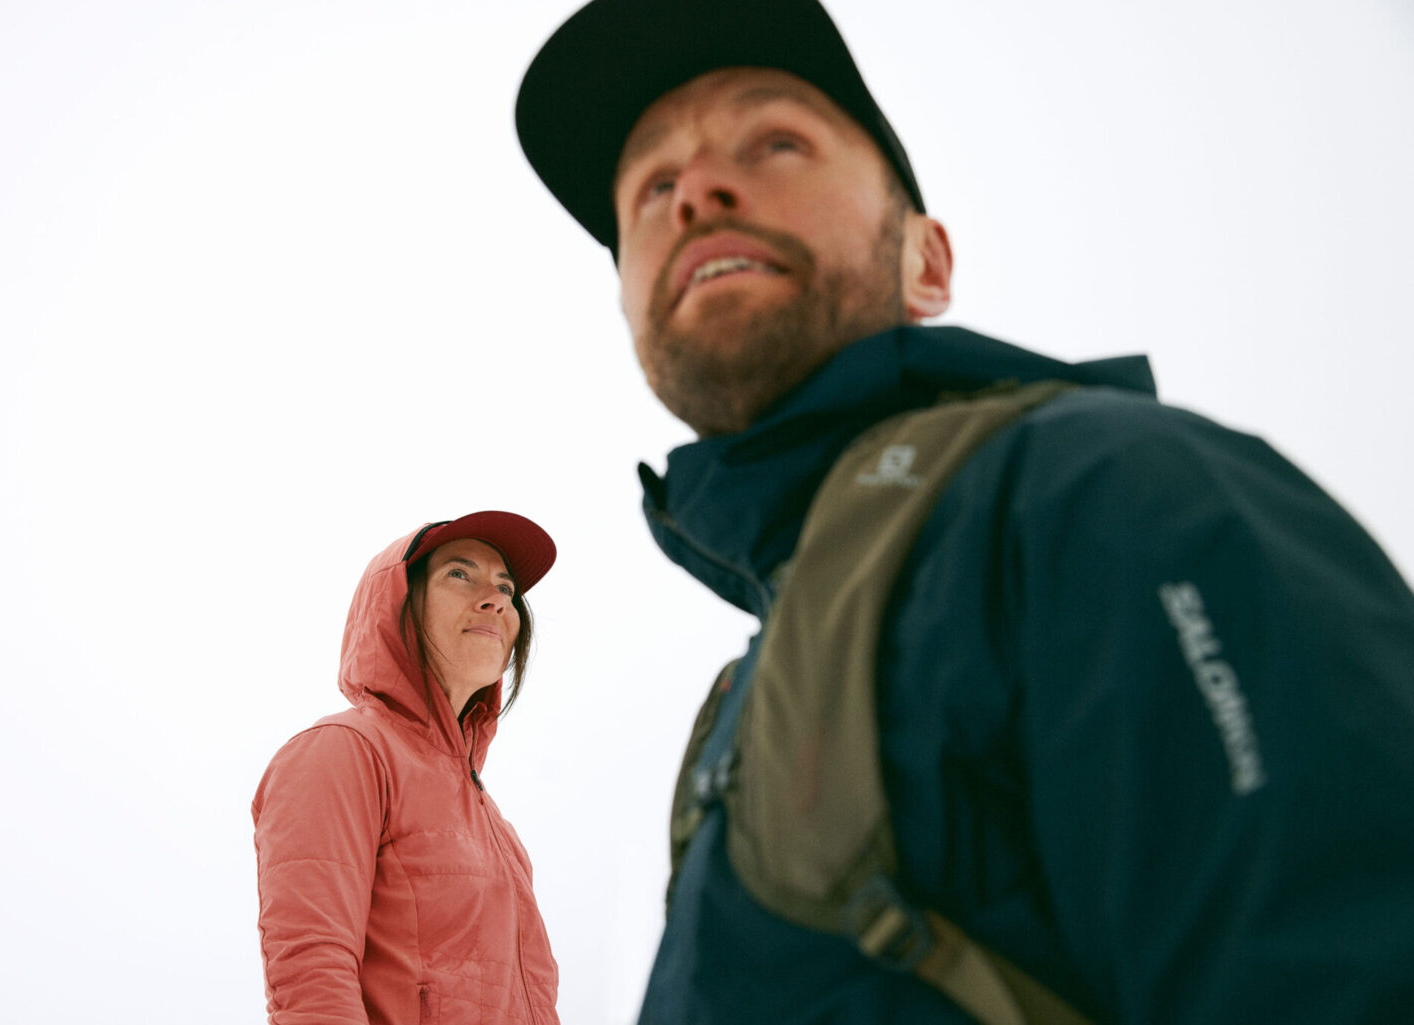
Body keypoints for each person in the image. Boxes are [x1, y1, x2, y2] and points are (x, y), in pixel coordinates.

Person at [514, 1, 1414, 1022]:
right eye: (651, 188)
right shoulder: (744, 701)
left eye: (775, 141)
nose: (697, 195)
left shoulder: (1101, 491)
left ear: (926, 262)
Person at [252, 510, 562, 1025]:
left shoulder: (493, 823)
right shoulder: (342, 751)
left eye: (506, 587)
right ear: (395, 606)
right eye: (458, 574)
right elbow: (311, 971)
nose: (497, 598)